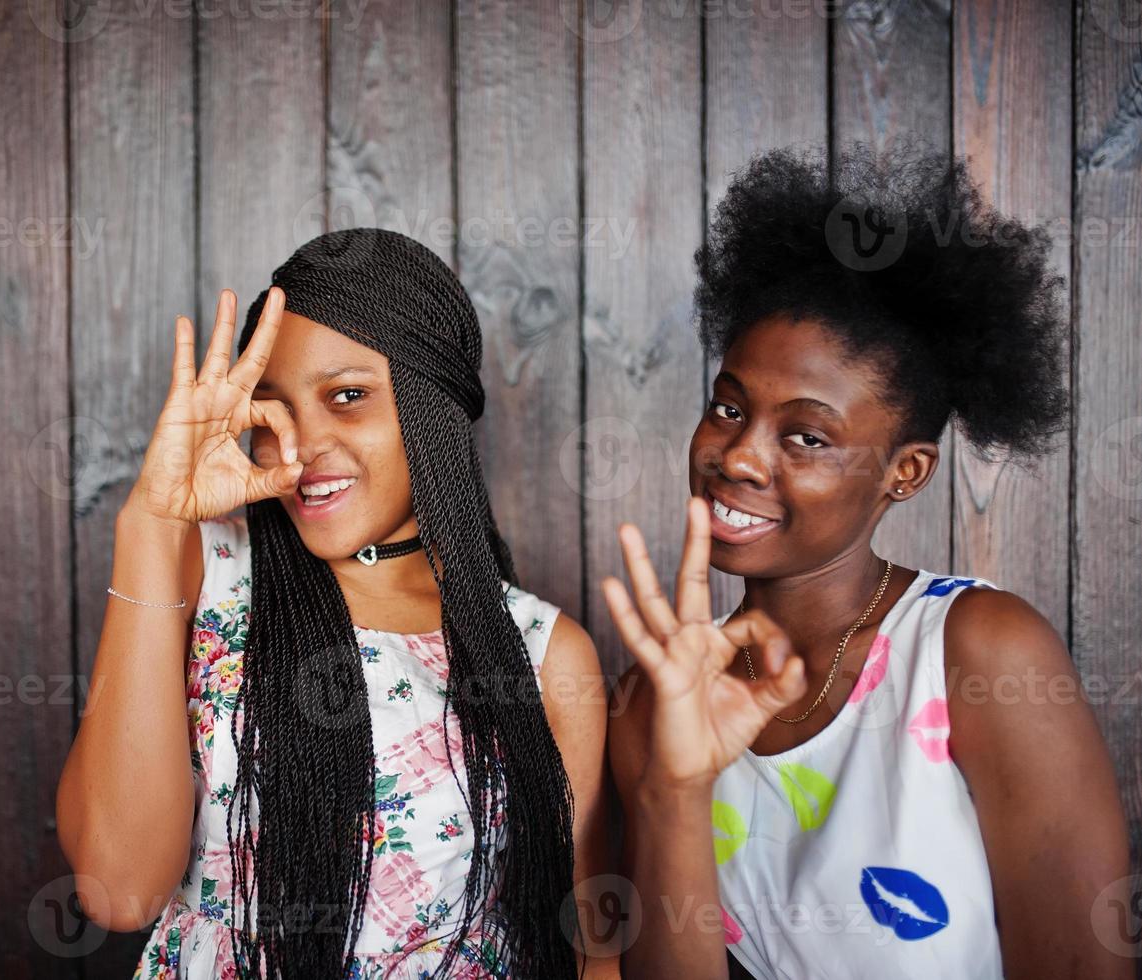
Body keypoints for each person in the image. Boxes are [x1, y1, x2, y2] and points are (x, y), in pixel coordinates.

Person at [602, 144, 1131, 978]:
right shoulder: (654, 701)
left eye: (805, 436)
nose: (738, 455)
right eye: (727, 407)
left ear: (904, 472)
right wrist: (674, 786)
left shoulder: (978, 651)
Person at [56, 229, 618, 978]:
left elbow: (589, 955)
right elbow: (118, 891)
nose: (301, 448)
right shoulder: (205, 571)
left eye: (347, 397)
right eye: (272, 411)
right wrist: (151, 522)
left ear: (434, 407)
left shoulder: (542, 651)